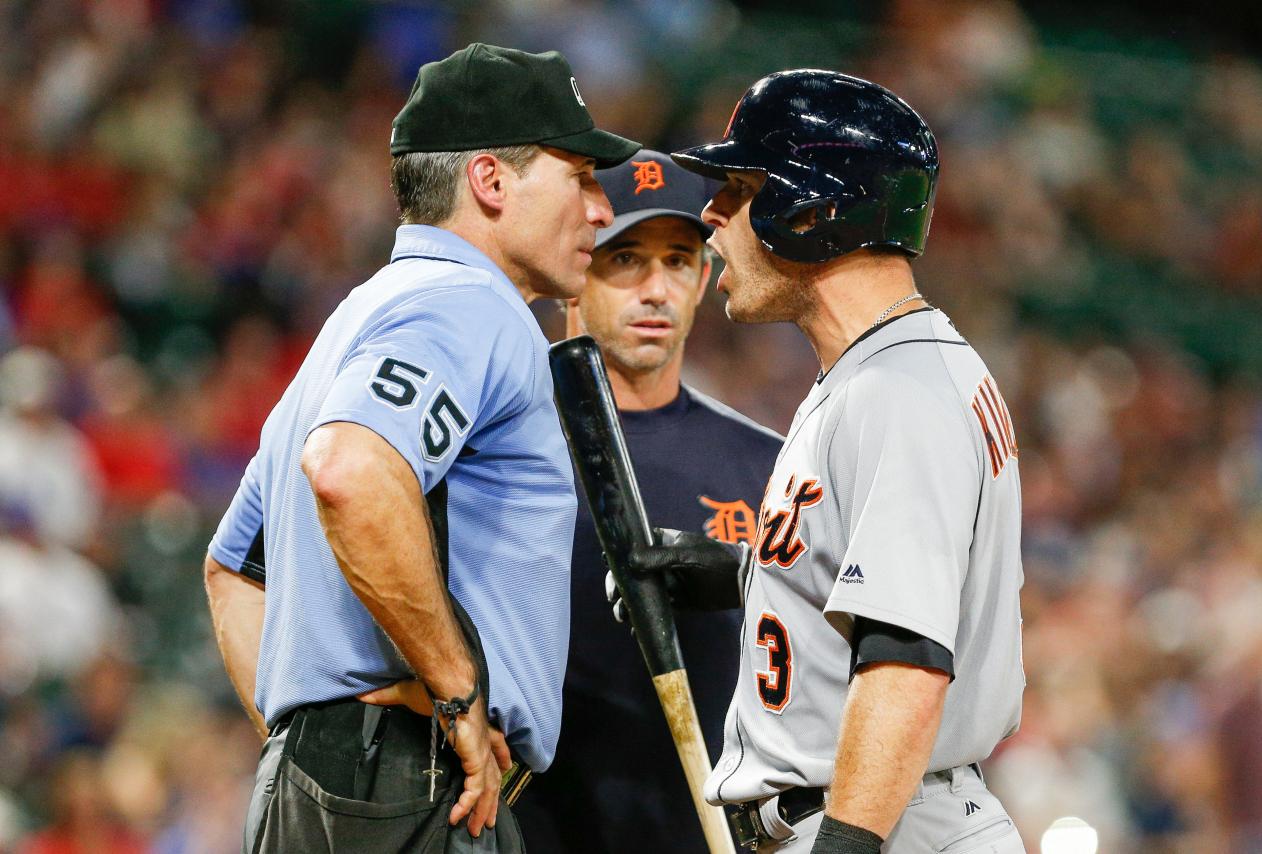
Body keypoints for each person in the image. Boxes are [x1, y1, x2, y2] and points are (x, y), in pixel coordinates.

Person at [202, 43, 640, 853]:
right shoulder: (467, 304)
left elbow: (233, 570)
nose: (601, 209)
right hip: (418, 776)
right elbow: (350, 469)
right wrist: (457, 691)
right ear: (490, 180)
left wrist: (305, 738)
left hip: (322, 786)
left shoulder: (355, 320)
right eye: (579, 175)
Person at [638, 70, 1027, 853]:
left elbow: (906, 669)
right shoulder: (880, 371)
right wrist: (739, 573)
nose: (710, 218)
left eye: (740, 189)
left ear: (810, 212)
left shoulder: (896, 392)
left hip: (882, 824)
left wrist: (848, 845)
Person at [514, 150, 782, 853]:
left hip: (708, 833)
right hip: (529, 832)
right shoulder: (502, 449)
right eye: (626, 258)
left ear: (703, 280)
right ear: (574, 271)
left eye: (679, 260)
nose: (656, 289)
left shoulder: (770, 464)